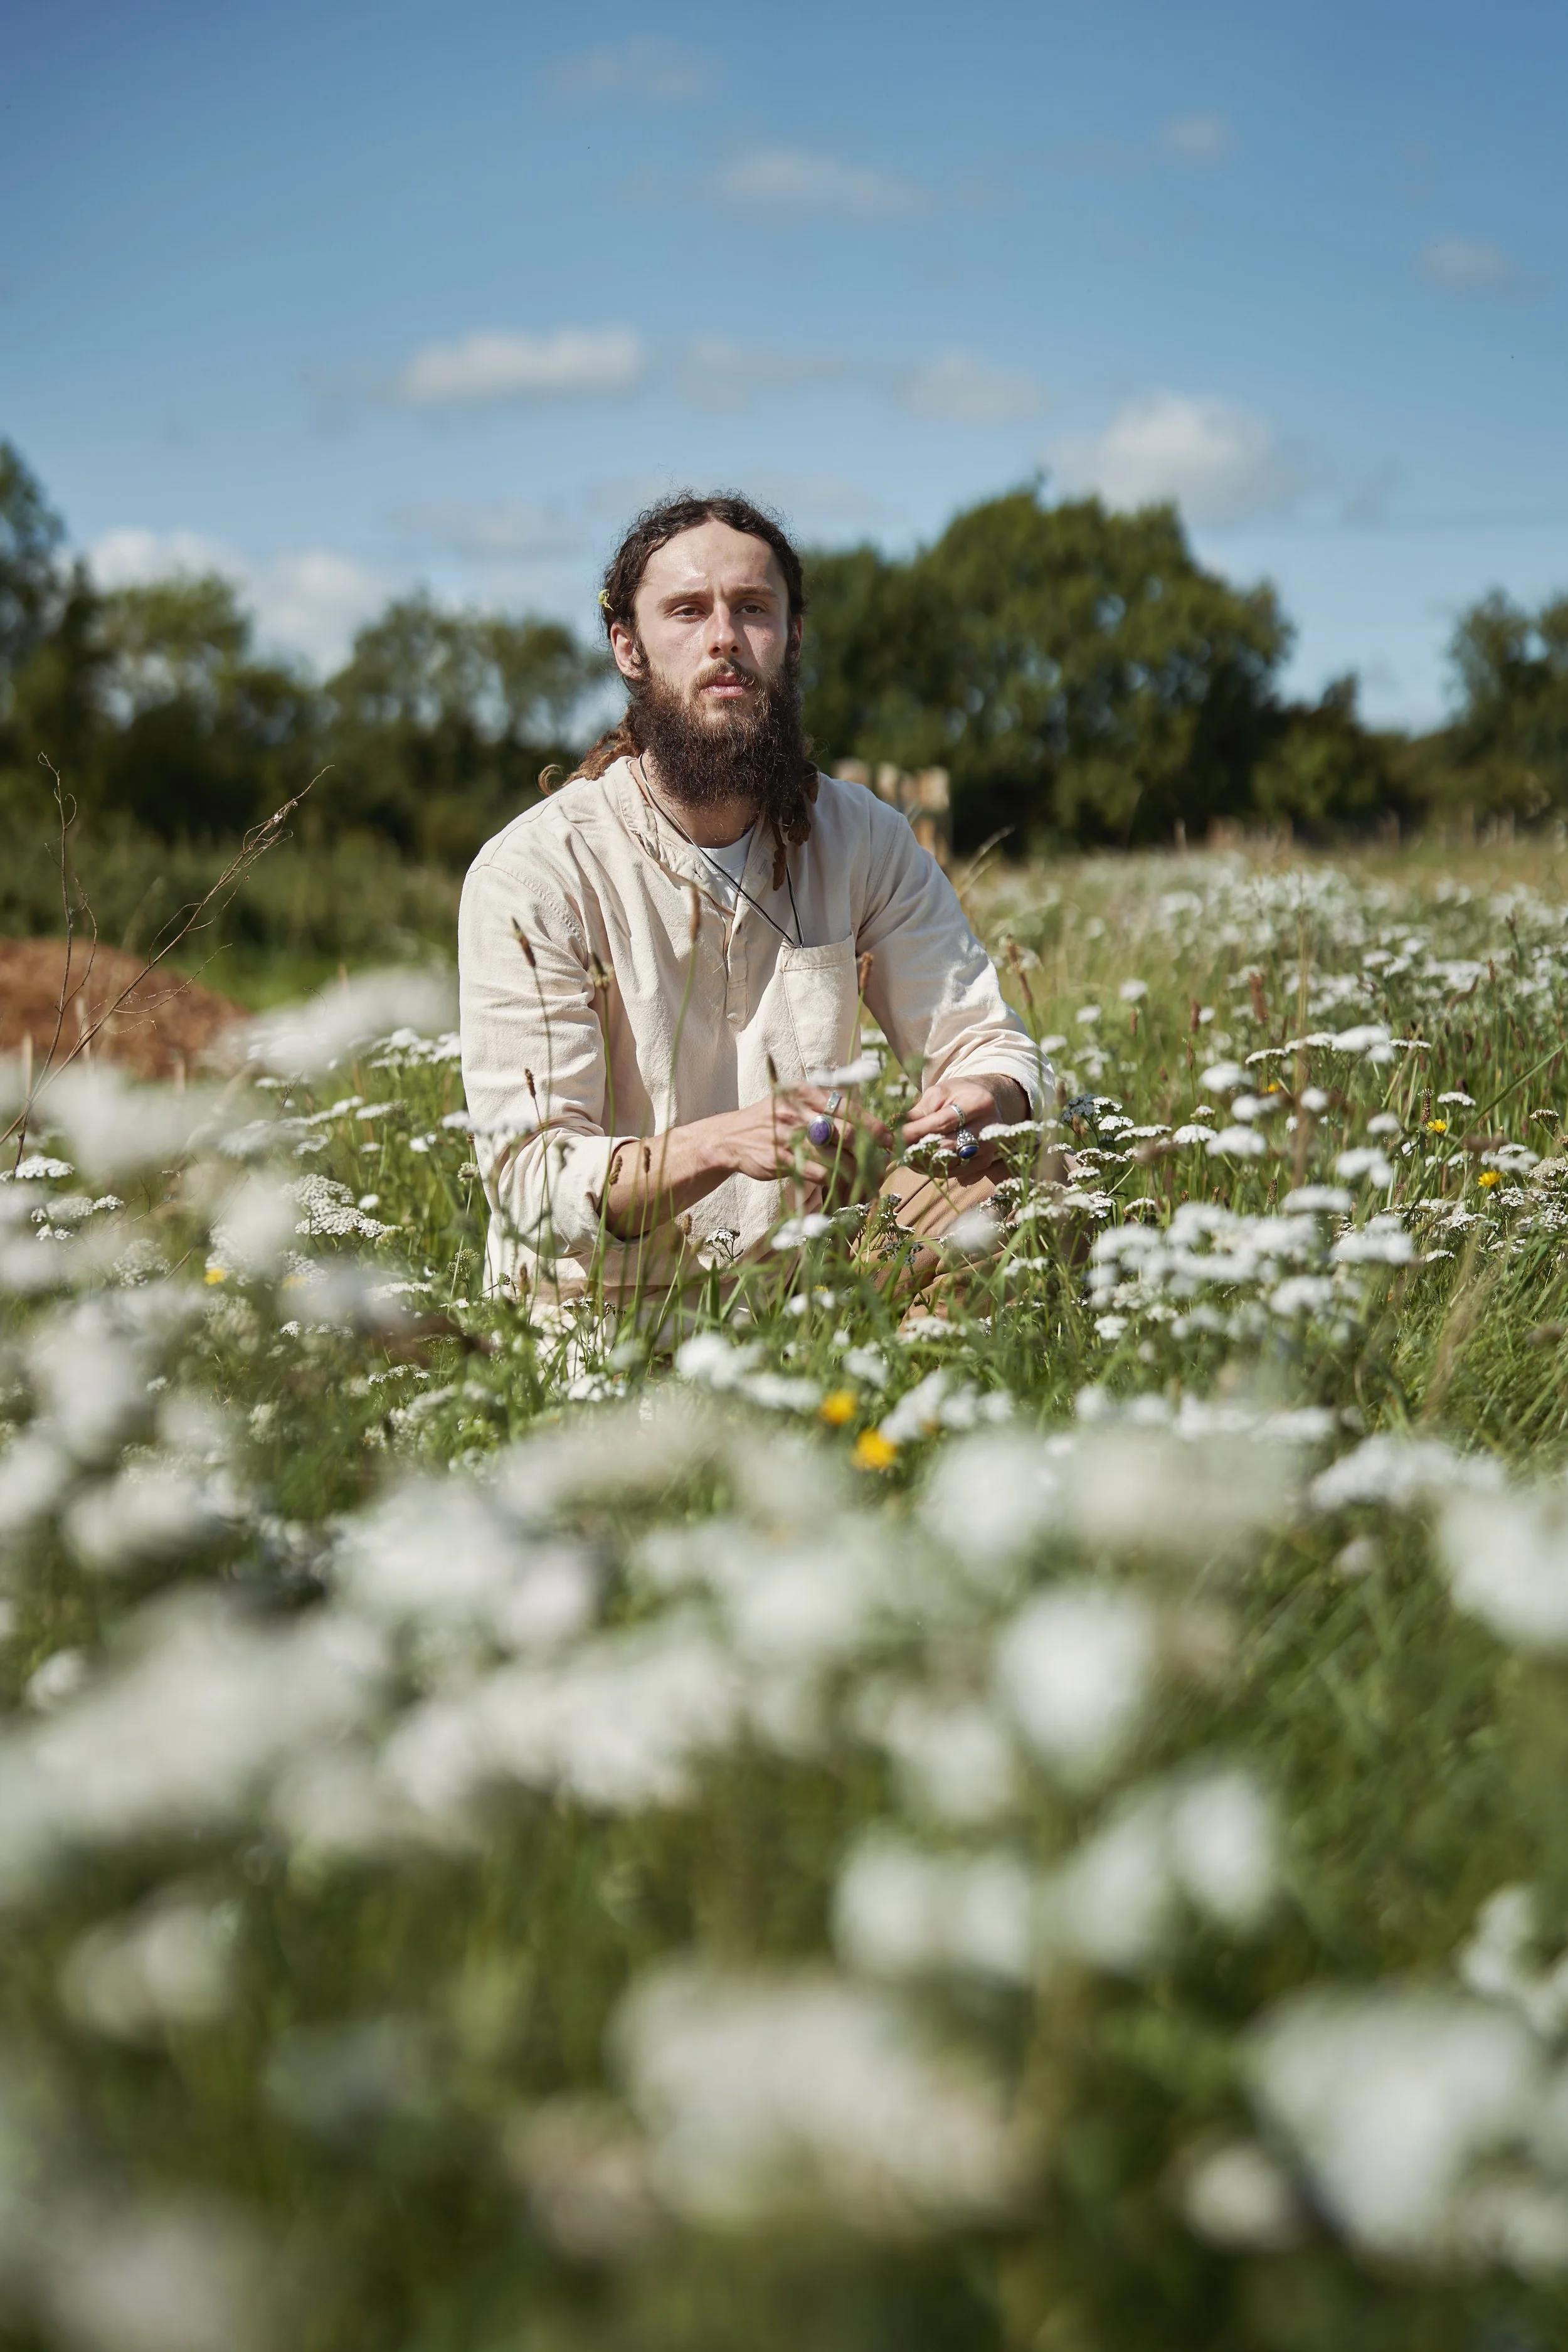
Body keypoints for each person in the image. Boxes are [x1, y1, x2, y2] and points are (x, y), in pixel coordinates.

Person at [458, 492, 1050, 1310]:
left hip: (807, 1302)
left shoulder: (863, 839)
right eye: (688, 611)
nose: (724, 638)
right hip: (601, 1325)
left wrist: (983, 1099)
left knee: (1024, 1172)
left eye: (753, 609)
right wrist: (722, 1145)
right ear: (628, 648)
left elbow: (992, 1044)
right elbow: (530, 1181)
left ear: (793, 636)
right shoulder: (538, 871)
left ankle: (907, 1425)